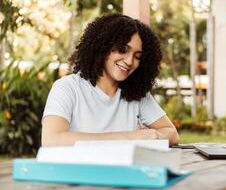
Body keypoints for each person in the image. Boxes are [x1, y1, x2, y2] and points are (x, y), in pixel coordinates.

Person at [41, 14, 179, 146]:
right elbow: (51, 140)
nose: (130, 61)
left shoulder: (135, 94)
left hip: (123, 170)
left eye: (137, 56)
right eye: (122, 49)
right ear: (103, 46)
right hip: (78, 170)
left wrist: (153, 135)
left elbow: (172, 133)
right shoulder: (67, 88)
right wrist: (131, 137)